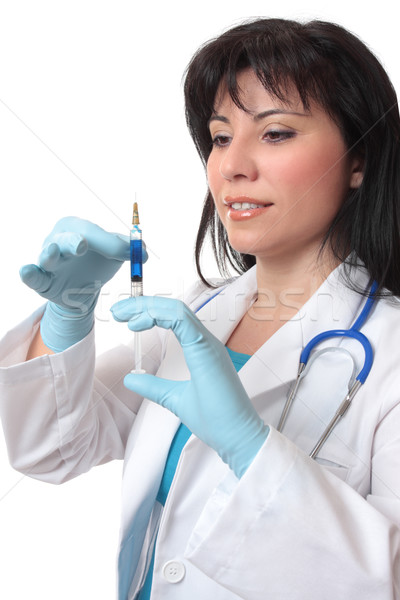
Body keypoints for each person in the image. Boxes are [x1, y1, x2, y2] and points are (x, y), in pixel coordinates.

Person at [0, 17, 399, 600]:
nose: (232, 165)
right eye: (219, 136)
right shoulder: (196, 315)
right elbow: (53, 451)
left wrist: (251, 449)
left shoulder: (389, 355)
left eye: (276, 133)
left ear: (359, 161)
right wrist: (68, 317)